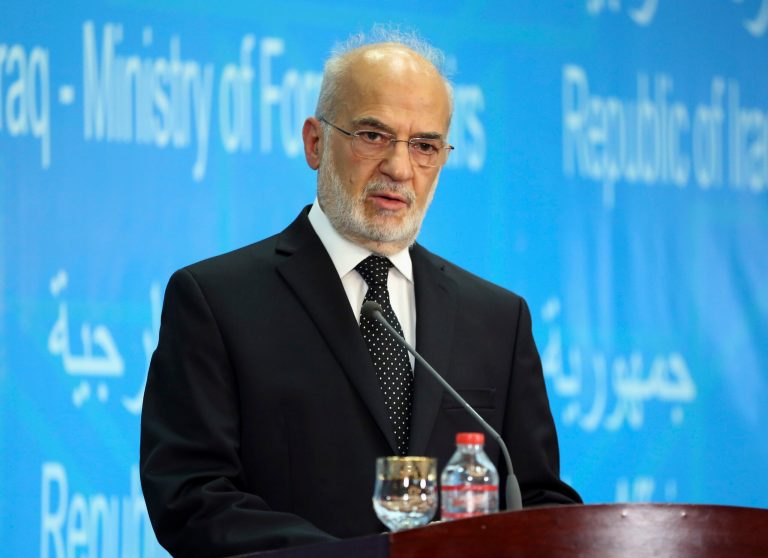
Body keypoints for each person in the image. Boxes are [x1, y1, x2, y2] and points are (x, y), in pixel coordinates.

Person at [140, 28, 581, 558]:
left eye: (424, 145)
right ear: (315, 141)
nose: (399, 168)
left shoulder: (497, 318)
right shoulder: (215, 301)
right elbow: (191, 497)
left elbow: (536, 498)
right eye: (373, 135)